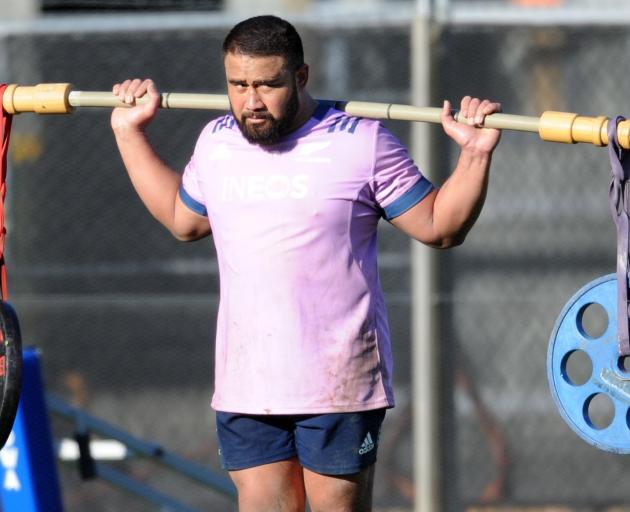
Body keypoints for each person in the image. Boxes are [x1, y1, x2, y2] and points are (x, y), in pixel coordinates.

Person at [110, 14, 501, 512]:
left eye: (268, 84)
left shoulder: (362, 142)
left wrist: (475, 155)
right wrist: (128, 133)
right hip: (247, 383)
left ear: (300, 77)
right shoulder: (216, 142)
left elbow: (441, 227)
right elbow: (181, 220)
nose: (251, 101)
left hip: (338, 384)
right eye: (238, 85)